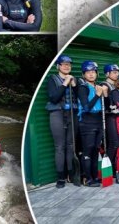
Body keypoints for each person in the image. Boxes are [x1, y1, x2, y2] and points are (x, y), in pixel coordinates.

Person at [45, 55, 78, 188]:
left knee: (70, 145)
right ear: (58, 66)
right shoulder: (52, 79)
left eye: (69, 64)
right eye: (63, 64)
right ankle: (61, 177)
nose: (66, 66)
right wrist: (65, 84)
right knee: (60, 146)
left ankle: (70, 174)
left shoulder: (74, 80)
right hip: (57, 113)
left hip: (71, 114)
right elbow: (54, 98)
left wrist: (74, 86)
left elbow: (79, 98)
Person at [76, 61, 105, 187]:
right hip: (87, 121)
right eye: (88, 72)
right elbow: (86, 107)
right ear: (83, 74)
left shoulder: (97, 86)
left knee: (95, 150)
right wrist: (98, 95)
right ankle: (87, 179)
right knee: (87, 151)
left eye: (93, 72)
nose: (91, 74)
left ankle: (95, 177)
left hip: (98, 120)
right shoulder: (83, 87)